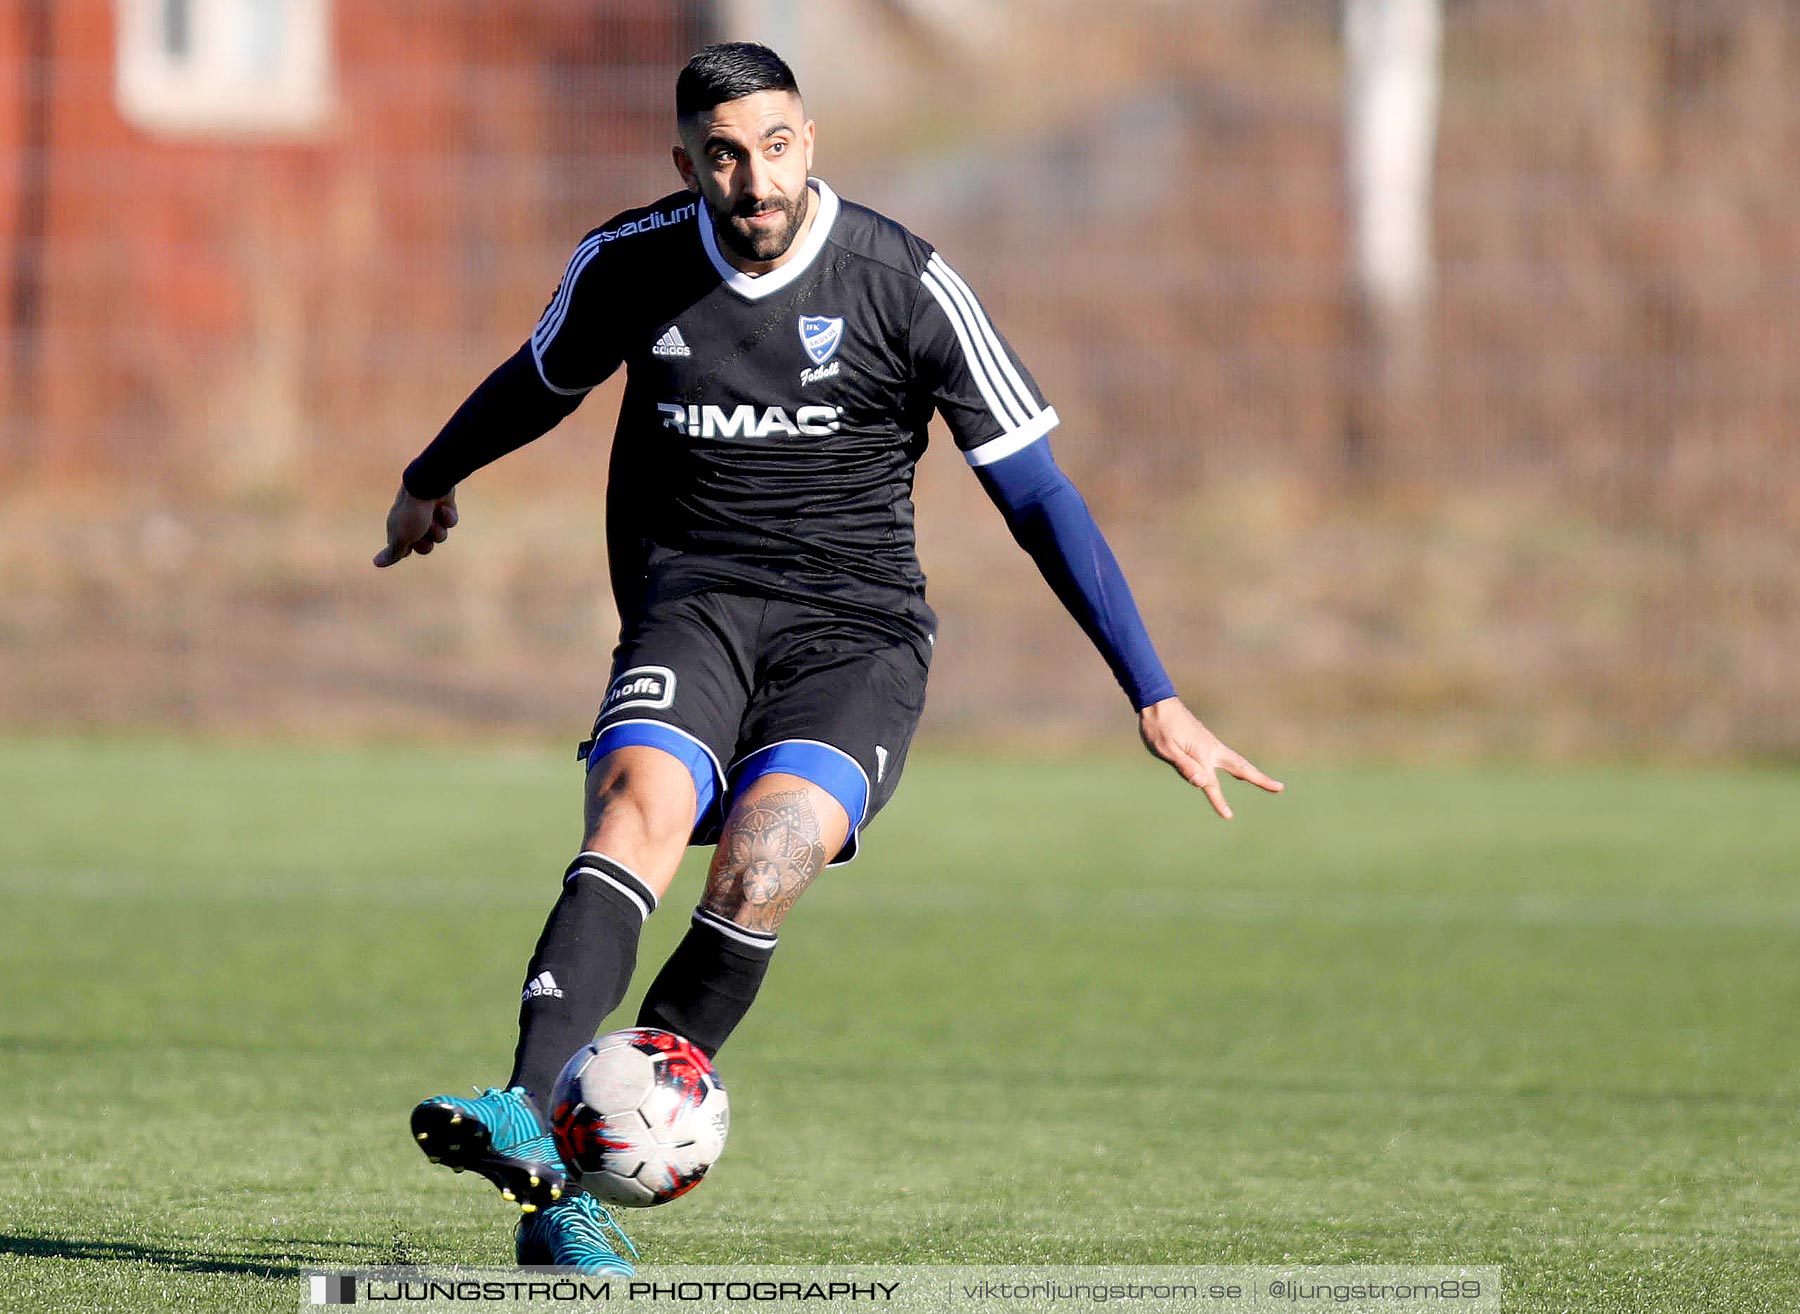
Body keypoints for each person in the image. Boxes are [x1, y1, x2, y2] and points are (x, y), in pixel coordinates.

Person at [376, 42, 1282, 1275]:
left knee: (768, 855)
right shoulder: (630, 263)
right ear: (685, 162)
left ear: (811, 139)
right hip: (689, 607)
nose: (752, 179)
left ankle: (577, 1173)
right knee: (637, 807)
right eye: (723, 156)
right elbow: (541, 382)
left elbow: (1036, 495)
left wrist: (1155, 695)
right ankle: (530, 1125)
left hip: (854, 637)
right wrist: (431, 480)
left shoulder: (900, 281)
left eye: (775, 146)